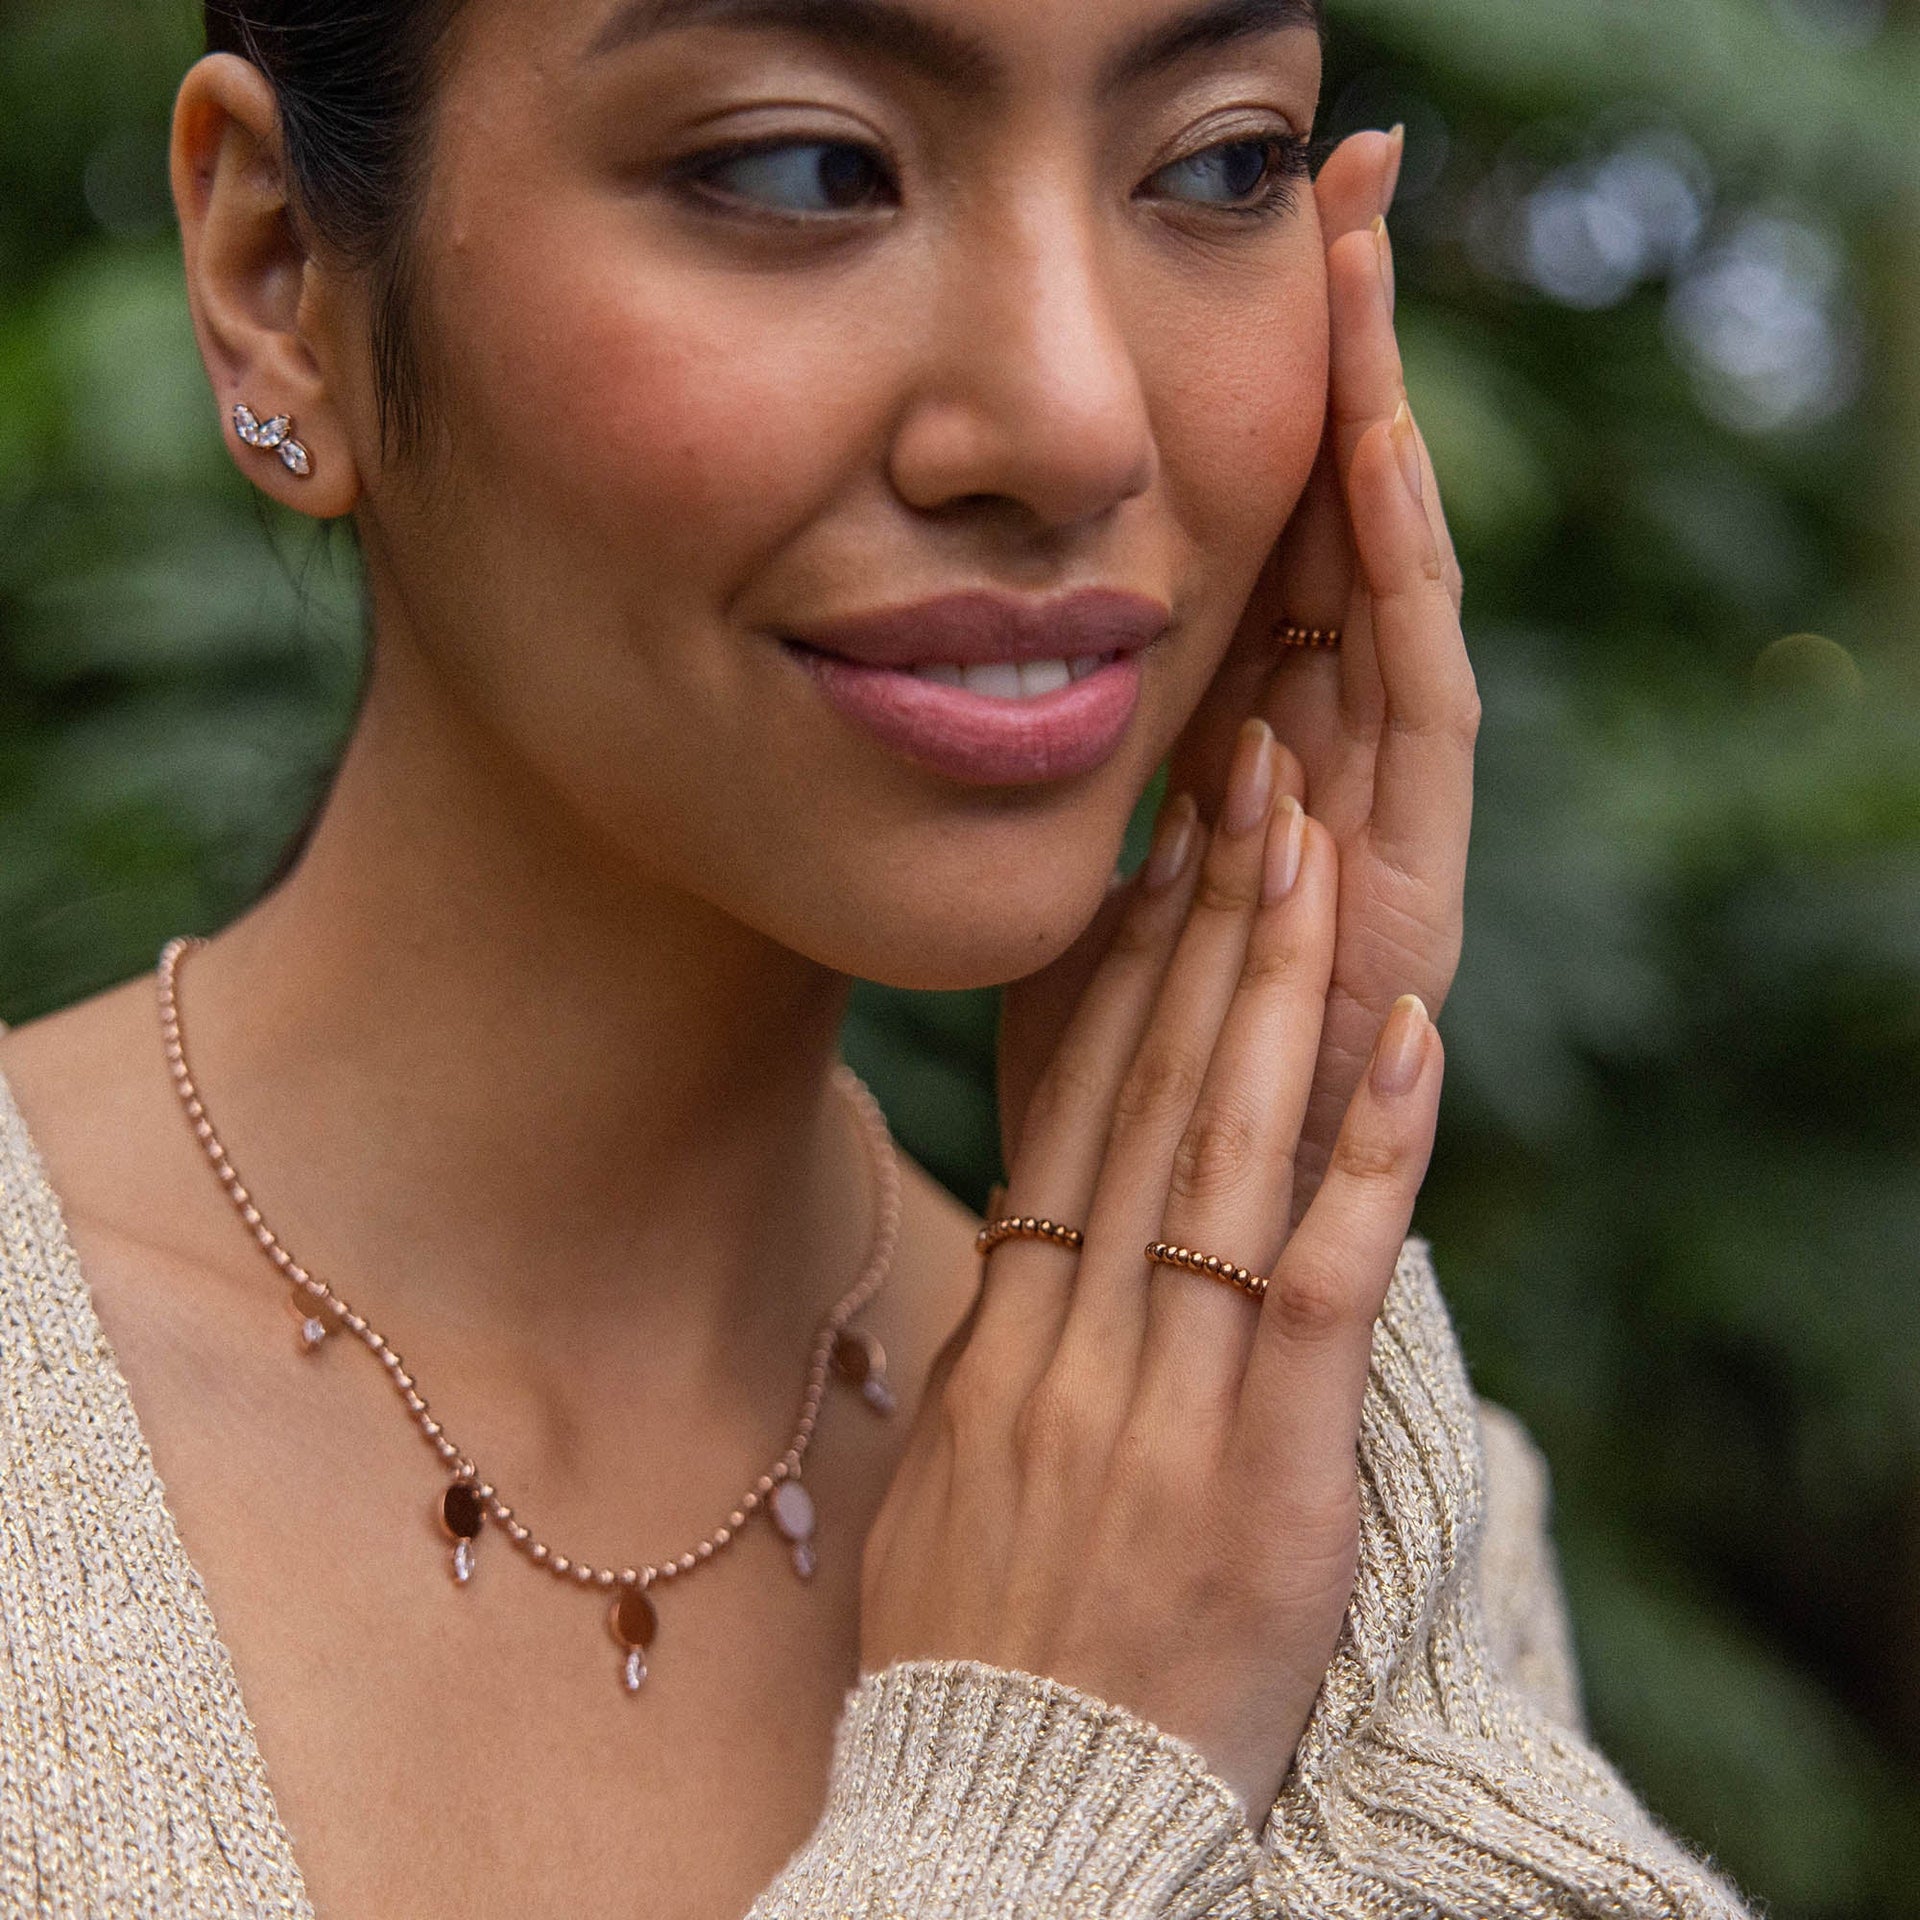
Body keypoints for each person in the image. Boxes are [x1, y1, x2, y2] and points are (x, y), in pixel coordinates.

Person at [0, 0, 1751, 1913]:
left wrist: (1276, 1347)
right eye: (802, 167)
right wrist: (1029, 1811)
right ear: (276, 272)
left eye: (1222, 164)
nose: (1076, 421)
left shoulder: (1352, 1532)